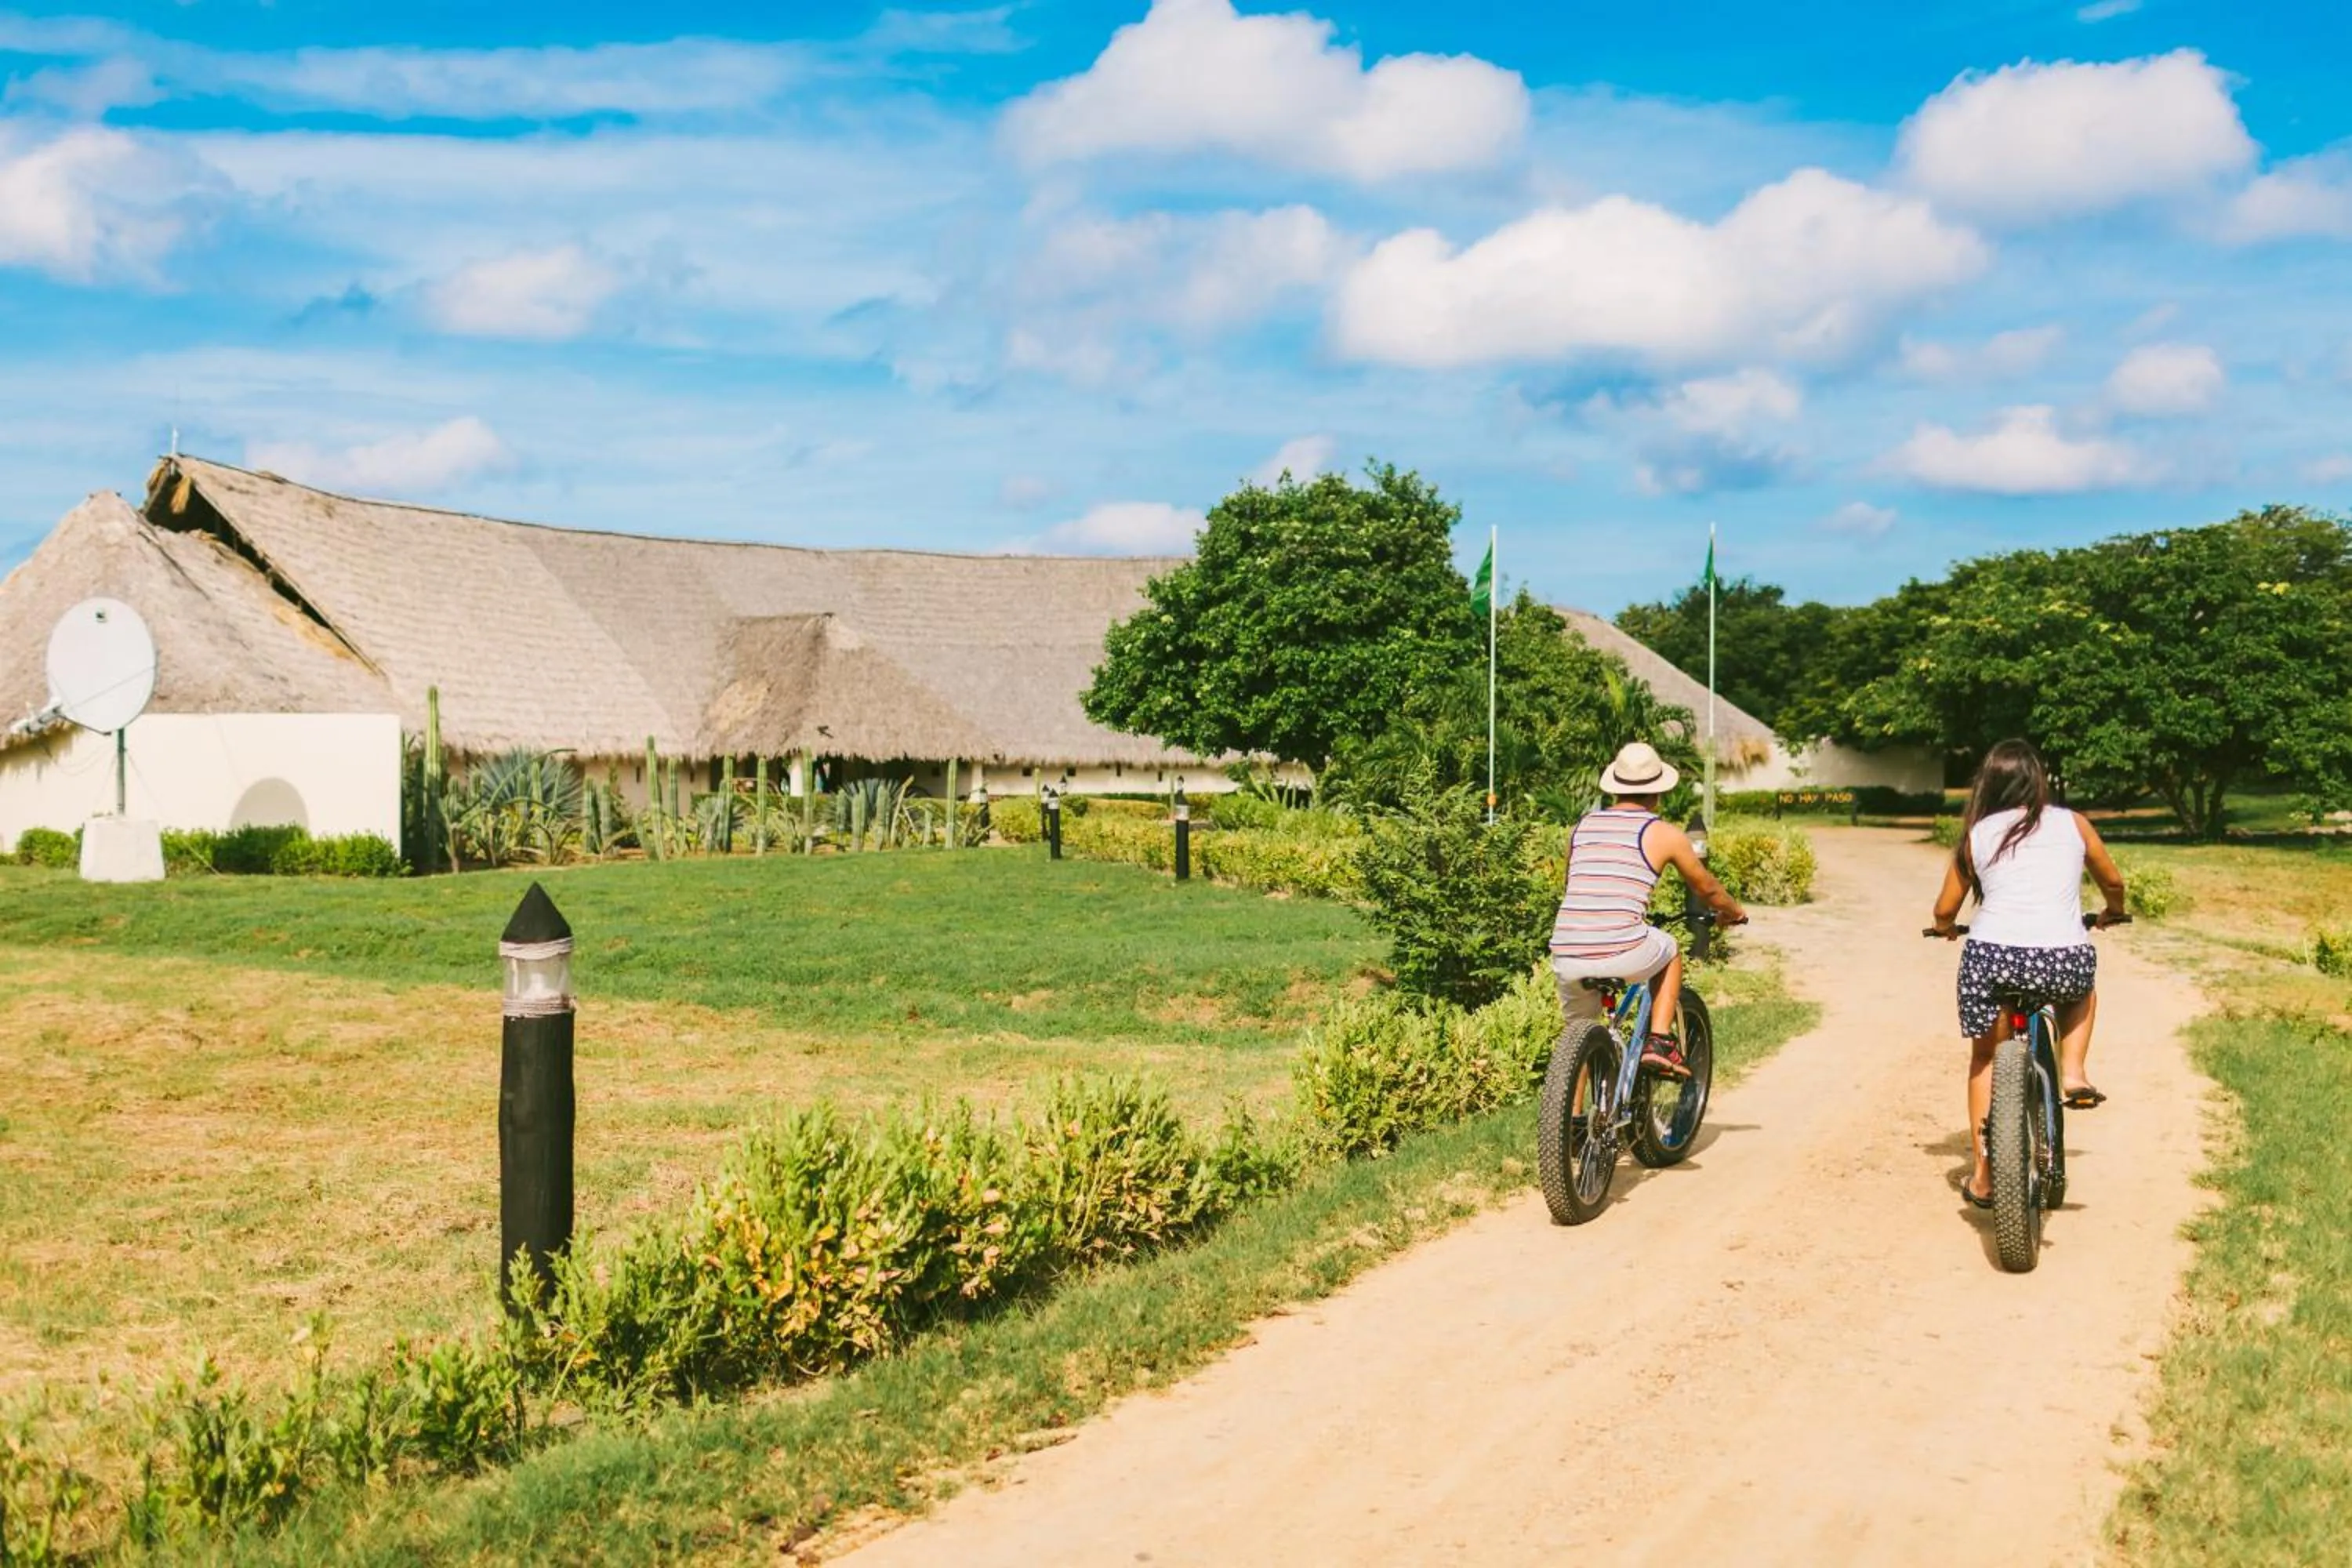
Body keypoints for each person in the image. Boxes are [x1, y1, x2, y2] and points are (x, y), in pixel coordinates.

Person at [1927, 739, 2129, 1210]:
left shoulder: (1977, 834)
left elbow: (1945, 908)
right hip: (2061, 959)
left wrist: (1943, 929)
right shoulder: (2072, 823)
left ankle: (1983, 1176)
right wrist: (2112, 911)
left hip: (1992, 960)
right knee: (2082, 992)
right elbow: (2113, 882)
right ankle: (2074, 1073)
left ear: (1987, 784)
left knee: (1986, 1059)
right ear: (2038, 780)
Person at [1552, 741, 1748, 1077]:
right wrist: (1734, 912)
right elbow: (1707, 888)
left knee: (1578, 1042)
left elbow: (1574, 882)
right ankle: (1659, 1042)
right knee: (1670, 949)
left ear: (1614, 789)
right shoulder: (1664, 834)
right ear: (1658, 794)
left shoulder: (1581, 827)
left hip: (1567, 952)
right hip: (1622, 948)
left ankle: (1570, 1124)